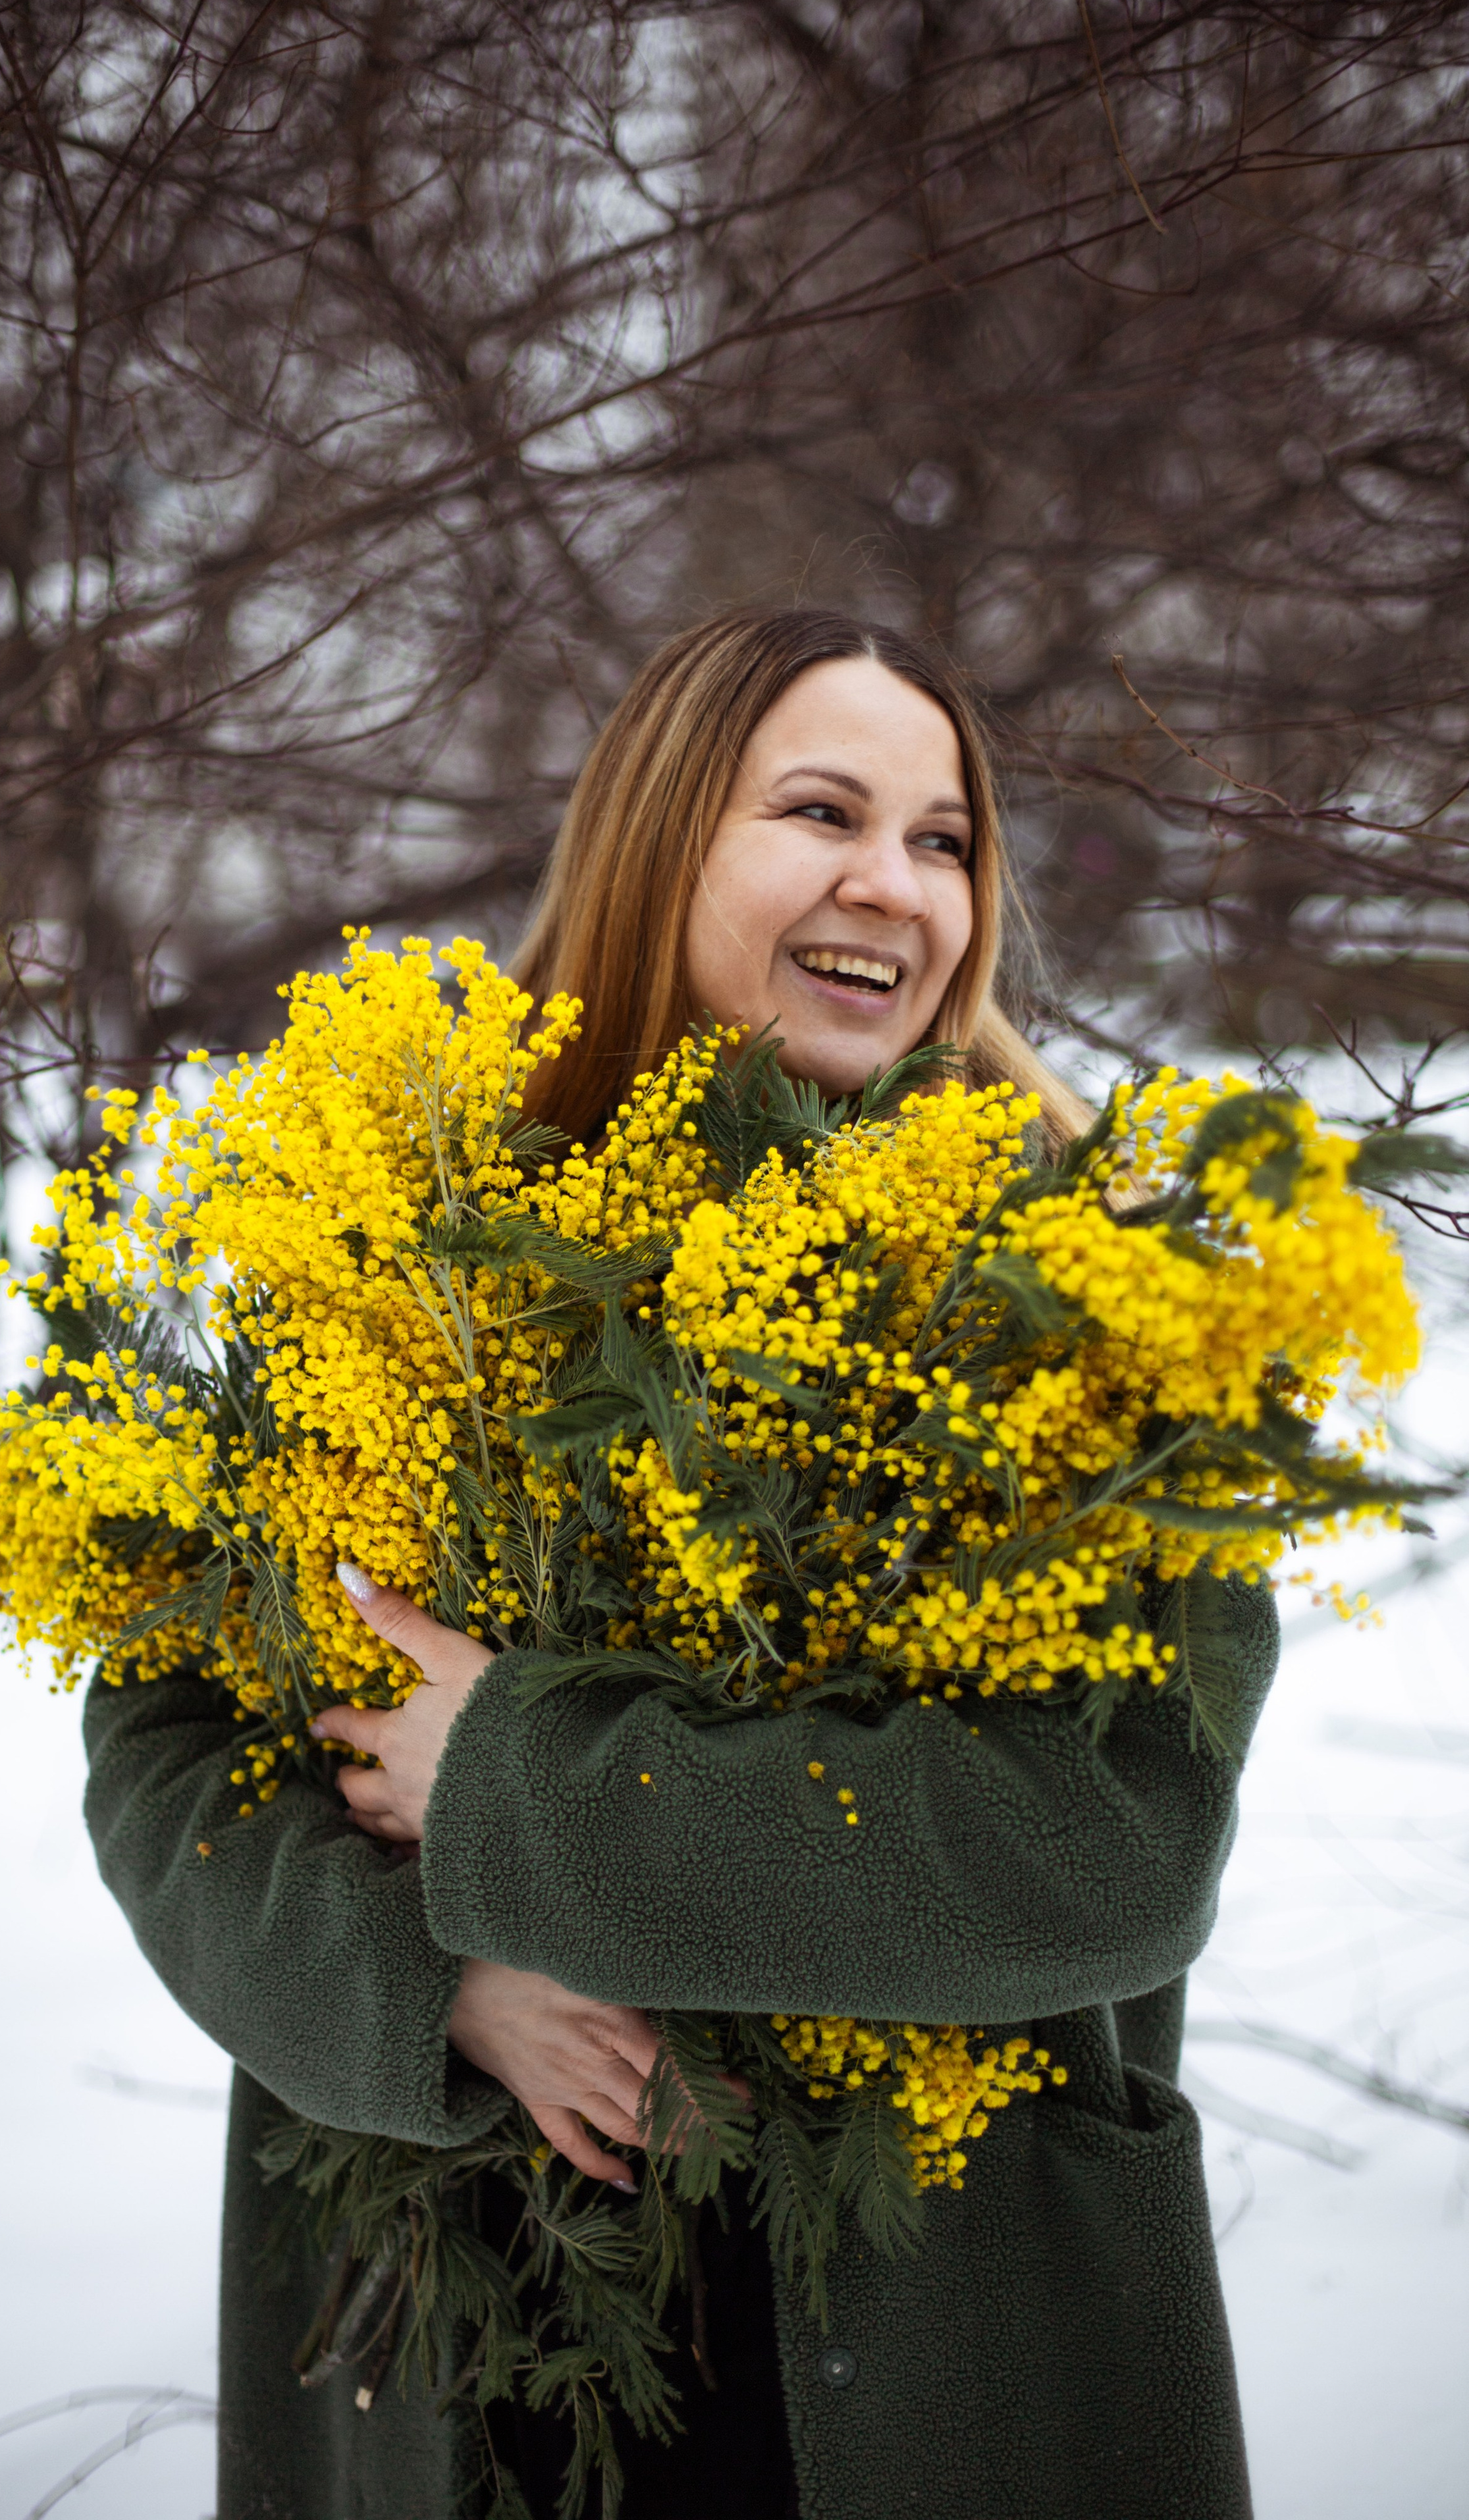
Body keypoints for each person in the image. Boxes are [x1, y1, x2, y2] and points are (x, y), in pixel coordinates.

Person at [84, 608, 1278, 2520]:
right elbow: (166, 1758)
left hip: (939, 2353)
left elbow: (1114, 1844)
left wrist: (520, 1791)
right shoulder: (387, 1228)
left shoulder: (1096, 1291)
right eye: (824, 811)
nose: (898, 885)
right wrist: (432, 1984)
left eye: (947, 838)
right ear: (660, 840)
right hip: (456, 2353)